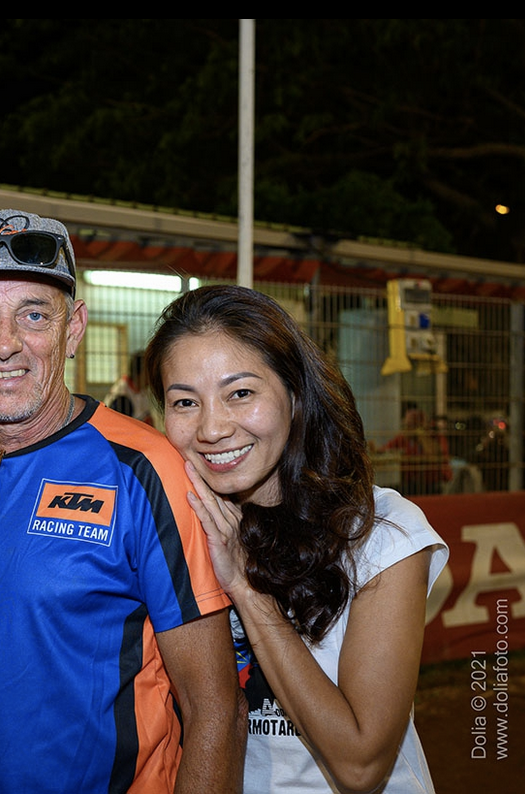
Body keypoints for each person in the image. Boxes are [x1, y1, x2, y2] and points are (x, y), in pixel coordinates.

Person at [0, 209, 242, 793]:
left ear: (73, 329)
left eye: (34, 315)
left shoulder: (146, 470)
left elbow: (217, 711)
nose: (4, 344)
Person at [145, 285, 449, 793]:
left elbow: (361, 766)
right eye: (184, 402)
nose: (212, 428)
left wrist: (245, 586)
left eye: (240, 393)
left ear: (295, 394)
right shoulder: (173, 529)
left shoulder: (382, 533)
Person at [380, 403, 451, 496]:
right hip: (412, 483)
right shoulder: (404, 438)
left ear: (419, 426)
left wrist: (422, 436)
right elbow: (385, 449)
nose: (405, 430)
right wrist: (376, 449)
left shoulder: (435, 437)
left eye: (408, 426)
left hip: (433, 483)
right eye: (405, 426)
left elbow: (437, 455)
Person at [105, 348, 152, 424]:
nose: (152, 378)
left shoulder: (143, 391)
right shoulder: (121, 393)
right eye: (149, 373)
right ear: (141, 372)